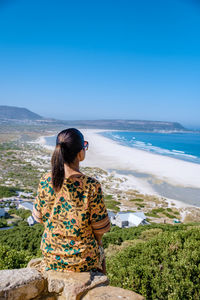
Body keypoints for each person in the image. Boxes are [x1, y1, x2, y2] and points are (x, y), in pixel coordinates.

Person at [32, 128, 111, 274]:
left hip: (51, 256)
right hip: (82, 259)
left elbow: (38, 218)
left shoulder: (45, 180)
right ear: (80, 153)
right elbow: (101, 228)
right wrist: (98, 243)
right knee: (101, 256)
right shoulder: (91, 185)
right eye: (84, 146)